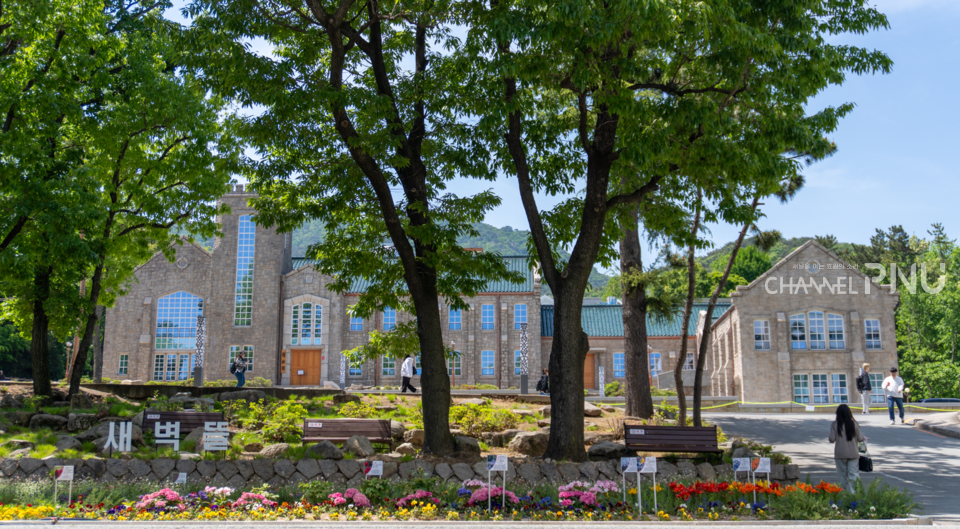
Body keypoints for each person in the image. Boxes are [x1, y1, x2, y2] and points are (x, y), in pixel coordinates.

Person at [829, 403, 865, 494]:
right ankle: (854, 494)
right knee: (853, 474)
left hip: (840, 453)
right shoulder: (854, 424)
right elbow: (859, 438)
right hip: (853, 453)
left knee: (842, 475)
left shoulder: (835, 425)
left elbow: (832, 439)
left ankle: (843, 494)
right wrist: (864, 437)